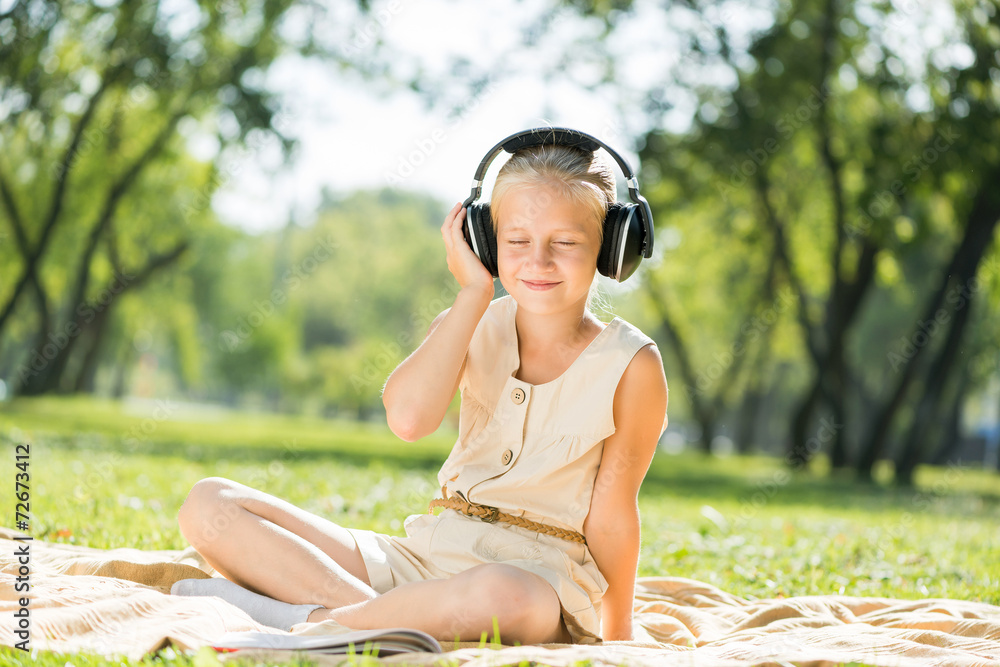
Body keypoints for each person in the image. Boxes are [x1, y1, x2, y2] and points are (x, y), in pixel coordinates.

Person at [171, 139, 669, 646]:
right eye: (516, 241)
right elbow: (408, 421)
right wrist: (473, 294)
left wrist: (621, 633)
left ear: (612, 248)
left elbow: (612, 516)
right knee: (210, 504)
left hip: (537, 582)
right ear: (484, 241)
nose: (537, 260)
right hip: (423, 558)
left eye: (563, 243)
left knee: (503, 595)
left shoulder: (631, 365)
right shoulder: (468, 322)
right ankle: (349, 621)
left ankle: (307, 622)